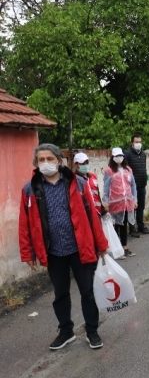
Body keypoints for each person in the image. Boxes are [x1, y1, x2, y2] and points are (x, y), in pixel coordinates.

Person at [19, 143, 109, 350]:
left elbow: (92, 216)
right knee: (60, 294)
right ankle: (66, 331)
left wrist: (101, 244)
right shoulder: (30, 189)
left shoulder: (77, 183)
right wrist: (28, 254)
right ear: (36, 163)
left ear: (59, 161)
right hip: (53, 251)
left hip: (80, 248)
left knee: (87, 291)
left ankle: (92, 330)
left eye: (50, 159)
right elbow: (25, 225)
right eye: (41, 160)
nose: (45, 163)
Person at [103, 147, 138, 258]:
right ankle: (116, 249)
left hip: (127, 202)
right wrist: (106, 202)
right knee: (116, 226)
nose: (119, 158)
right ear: (113, 157)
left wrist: (134, 199)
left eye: (121, 156)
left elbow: (133, 185)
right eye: (117, 156)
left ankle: (125, 247)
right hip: (115, 203)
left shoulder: (128, 169)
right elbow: (106, 188)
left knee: (124, 224)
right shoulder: (109, 171)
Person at [124, 133, 149, 236]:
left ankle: (141, 226)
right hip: (132, 187)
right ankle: (132, 229)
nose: (138, 144)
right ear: (132, 143)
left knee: (141, 207)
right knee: (132, 208)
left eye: (140, 142)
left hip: (142, 184)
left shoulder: (143, 154)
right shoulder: (127, 154)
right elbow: (126, 170)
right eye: (136, 142)